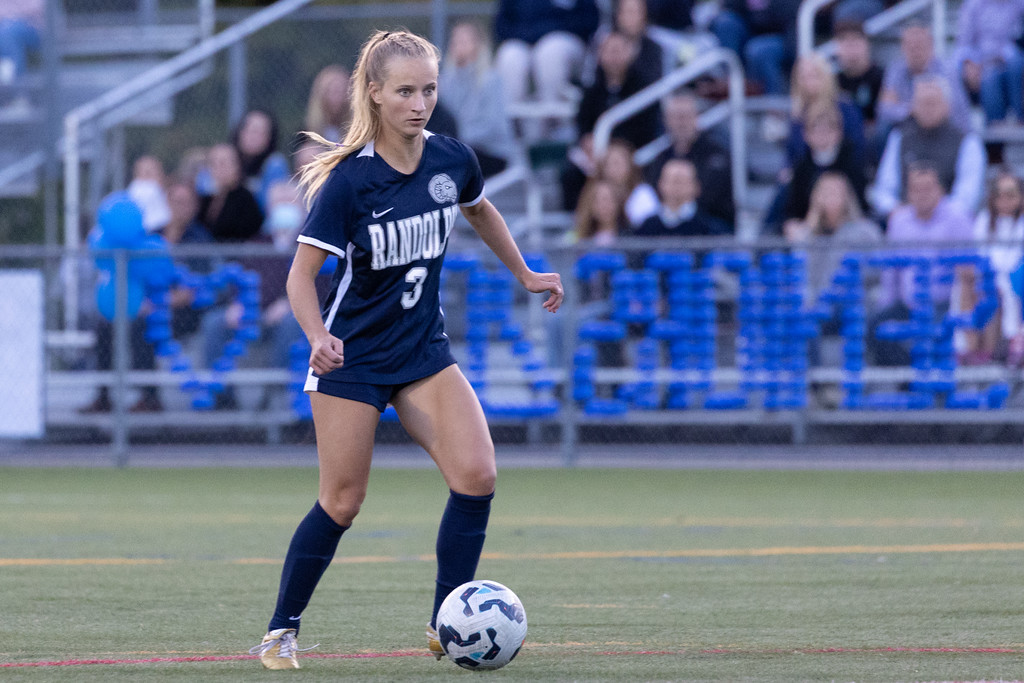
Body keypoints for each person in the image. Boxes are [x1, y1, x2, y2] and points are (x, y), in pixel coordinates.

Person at [247, 29, 563, 670]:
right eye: (404, 91)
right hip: (353, 359)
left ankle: (447, 623)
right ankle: (280, 631)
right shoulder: (349, 184)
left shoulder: (451, 160)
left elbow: (482, 212)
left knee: (477, 477)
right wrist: (316, 338)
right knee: (342, 501)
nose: (419, 103)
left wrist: (526, 272)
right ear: (375, 94)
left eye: (428, 89)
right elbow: (300, 278)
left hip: (423, 353)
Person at [869, 163, 974, 366]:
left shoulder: (957, 218)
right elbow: (891, 270)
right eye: (916, 189)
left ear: (941, 190)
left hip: (944, 304)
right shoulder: (899, 220)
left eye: (928, 188)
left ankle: (933, 386)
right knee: (875, 326)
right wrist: (888, 302)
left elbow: (968, 271)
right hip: (906, 304)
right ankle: (907, 382)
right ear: (908, 193)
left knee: (937, 333)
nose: (922, 194)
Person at [871, 75, 987, 222]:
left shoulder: (968, 141)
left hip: (951, 225)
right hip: (905, 221)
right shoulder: (899, 137)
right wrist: (900, 212)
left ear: (947, 105)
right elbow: (884, 188)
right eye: (921, 103)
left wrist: (935, 216)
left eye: (932, 103)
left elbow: (968, 196)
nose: (927, 109)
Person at [493, 0, 600, 140]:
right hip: (524, 41)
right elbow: (502, 25)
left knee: (550, 52)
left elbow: (589, 20)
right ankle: (512, 132)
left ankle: (551, 130)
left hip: (565, 41)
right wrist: (530, 36)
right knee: (510, 56)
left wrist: (548, 31)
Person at [438, 19, 517, 177]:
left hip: (491, 151)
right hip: (459, 147)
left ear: (478, 44)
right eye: (455, 40)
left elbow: (491, 125)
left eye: (464, 40)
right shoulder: (445, 81)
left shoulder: (491, 79)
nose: (458, 45)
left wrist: (455, 140)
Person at [643, 90, 735, 226]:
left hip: (711, 233)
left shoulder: (717, 155)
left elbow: (716, 200)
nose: (681, 123)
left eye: (685, 116)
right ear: (666, 121)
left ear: (696, 117)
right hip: (666, 228)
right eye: (676, 117)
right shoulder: (657, 158)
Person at [960, 171, 1024, 363]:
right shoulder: (984, 220)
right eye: (999, 195)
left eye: (1010, 195)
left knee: (994, 291)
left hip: (1016, 281)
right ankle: (970, 353)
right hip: (988, 278)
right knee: (971, 283)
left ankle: (993, 353)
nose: (1004, 201)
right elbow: (979, 256)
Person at [877, 22, 973, 134]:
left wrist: (926, 111)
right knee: (884, 128)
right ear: (902, 48)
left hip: (942, 126)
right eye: (910, 47)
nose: (915, 52)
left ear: (931, 46)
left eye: (919, 46)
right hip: (908, 124)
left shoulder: (946, 71)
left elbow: (956, 109)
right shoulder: (896, 70)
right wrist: (913, 109)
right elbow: (884, 109)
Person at [575, 30, 661, 151]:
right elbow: (584, 125)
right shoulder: (592, 91)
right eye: (609, 51)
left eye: (618, 51)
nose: (614, 57)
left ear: (630, 53)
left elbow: (648, 128)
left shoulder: (643, 90)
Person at [951, 0, 1024, 123]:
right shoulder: (973, 5)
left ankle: (1020, 119)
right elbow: (963, 44)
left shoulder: (1019, 4)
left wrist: (1004, 54)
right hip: (981, 61)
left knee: (1015, 63)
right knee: (988, 77)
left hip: (1011, 59)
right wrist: (969, 63)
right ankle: (995, 131)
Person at [709, 0, 801, 95]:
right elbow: (731, 7)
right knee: (726, 22)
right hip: (749, 33)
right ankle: (730, 82)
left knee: (758, 49)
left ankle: (774, 102)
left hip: (786, 37)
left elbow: (793, 20)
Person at [635, 158, 731, 236]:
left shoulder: (713, 230)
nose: (677, 186)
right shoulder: (646, 228)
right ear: (660, 185)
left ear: (697, 187)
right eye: (672, 180)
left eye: (682, 181)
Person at [198, 143, 265, 243]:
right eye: (213, 163)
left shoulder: (246, 200)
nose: (218, 169)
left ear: (237, 166)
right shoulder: (205, 200)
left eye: (223, 163)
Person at [232, 108, 291, 210]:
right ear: (239, 132)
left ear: (269, 138)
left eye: (261, 132)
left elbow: (272, 205)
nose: (253, 136)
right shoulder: (229, 159)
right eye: (250, 130)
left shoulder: (275, 164)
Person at [573, 177, 629, 245]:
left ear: (618, 203)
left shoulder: (631, 237)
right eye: (598, 201)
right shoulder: (578, 238)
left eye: (610, 200)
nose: (605, 206)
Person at [304, 64, 352, 142]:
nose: (338, 97)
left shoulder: (356, 131)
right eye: (334, 91)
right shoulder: (307, 132)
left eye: (342, 91)